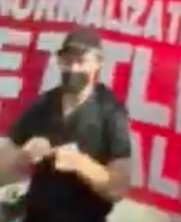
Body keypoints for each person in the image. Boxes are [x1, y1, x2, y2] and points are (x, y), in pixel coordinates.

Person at [0, 27, 132, 222]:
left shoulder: (111, 113)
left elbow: (118, 188)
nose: (73, 69)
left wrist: (80, 164)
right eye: (67, 61)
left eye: (81, 61)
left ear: (98, 63)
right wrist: (23, 158)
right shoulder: (44, 105)